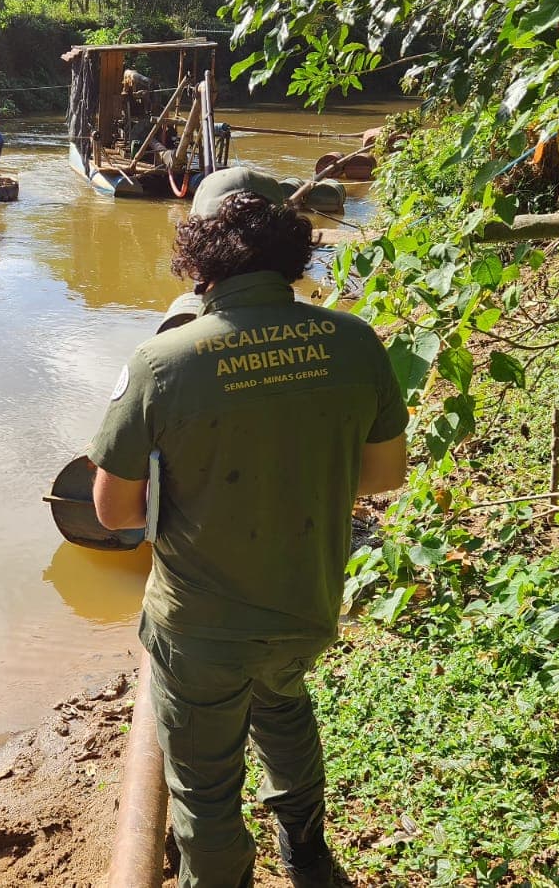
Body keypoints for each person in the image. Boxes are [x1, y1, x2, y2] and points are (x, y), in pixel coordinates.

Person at [87, 168, 410, 888]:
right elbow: (386, 474)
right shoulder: (355, 341)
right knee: (284, 704)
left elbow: (113, 512)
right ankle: (306, 850)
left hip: (201, 626)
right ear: (289, 243)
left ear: (198, 254)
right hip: (306, 605)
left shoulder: (162, 362)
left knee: (204, 786)